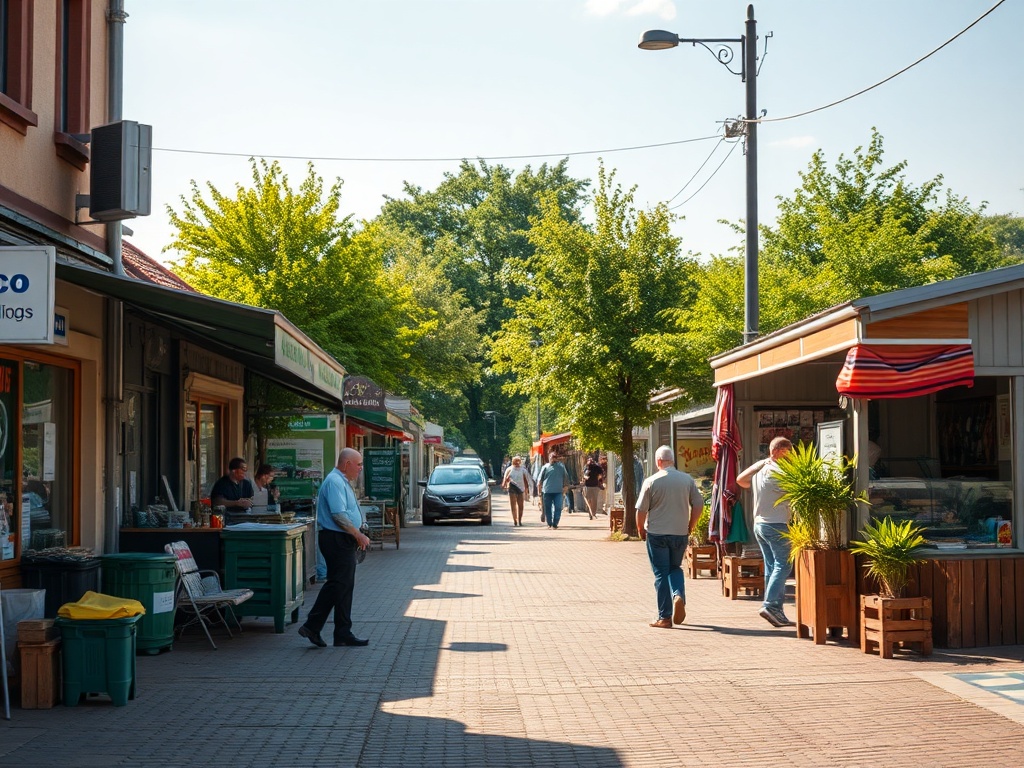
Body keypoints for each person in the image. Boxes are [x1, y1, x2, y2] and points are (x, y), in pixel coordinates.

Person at [299, 448, 372, 648]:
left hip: (342, 539)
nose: (360, 468)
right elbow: (338, 515)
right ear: (346, 463)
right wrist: (358, 534)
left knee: (344, 585)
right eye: (358, 464)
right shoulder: (334, 482)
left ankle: (342, 632)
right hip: (336, 538)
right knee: (338, 584)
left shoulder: (342, 482)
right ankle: (313, 625)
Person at [635, 445, 705, 629]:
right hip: (680, 533)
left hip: (657, 534)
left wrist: (640, 529)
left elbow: (641, 510)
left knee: (660, 574)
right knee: (675, 568)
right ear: (673, 461)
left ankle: (664, 617)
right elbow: (699, 504)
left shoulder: (651, 481)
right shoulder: (687, 480)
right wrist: (691, 525)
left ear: (658, 461)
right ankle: (678, 594)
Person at [736, 436, 795, 628]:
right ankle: (770, 605)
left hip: (760, 524)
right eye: (789, 453)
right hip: (776, 524)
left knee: (772, 566)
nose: (792, 457)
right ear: (778, 452)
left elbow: (741, 480)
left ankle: (776, 609)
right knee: (783, 565)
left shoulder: (762, 471)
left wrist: (761, 462)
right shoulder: (778, 473)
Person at [537, 452, 570, 529]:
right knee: (548, 508)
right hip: (547, 491)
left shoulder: (561, 467)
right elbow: (540, 480)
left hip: (558, 491)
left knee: (558, 507)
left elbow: (566, 477)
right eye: (552, 457)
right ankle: (549, 523)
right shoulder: (545, 467)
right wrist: (539, 491)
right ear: (549, 458)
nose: (553, 459)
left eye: (555, 457)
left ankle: (555, 523)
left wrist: (565, 487)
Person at [502, 456, 531, 526]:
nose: (517, 462)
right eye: (515, 461)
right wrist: (504, 484)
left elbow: (527, 479)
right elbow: (505, 478)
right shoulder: (509, 469)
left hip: (521, 489)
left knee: (521, 506)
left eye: (518, 461)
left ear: (520, 462)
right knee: (513, 505)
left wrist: (528, 489)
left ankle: (520, 520)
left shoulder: (523, 470)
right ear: (512, 462)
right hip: (512, 488)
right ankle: (515, 520)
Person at [581, 455, 605, 520]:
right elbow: (584, 475)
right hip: (587, 486)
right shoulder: (586, 467)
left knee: (594, 501)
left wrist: (599, 480)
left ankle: (593, 514)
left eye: (590, 461)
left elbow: (600, 475)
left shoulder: (597, 467)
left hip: (594, 486)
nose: (590, 462)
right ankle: (591, 513)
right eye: (589, 461)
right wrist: (585, 478)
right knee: (589, 501)